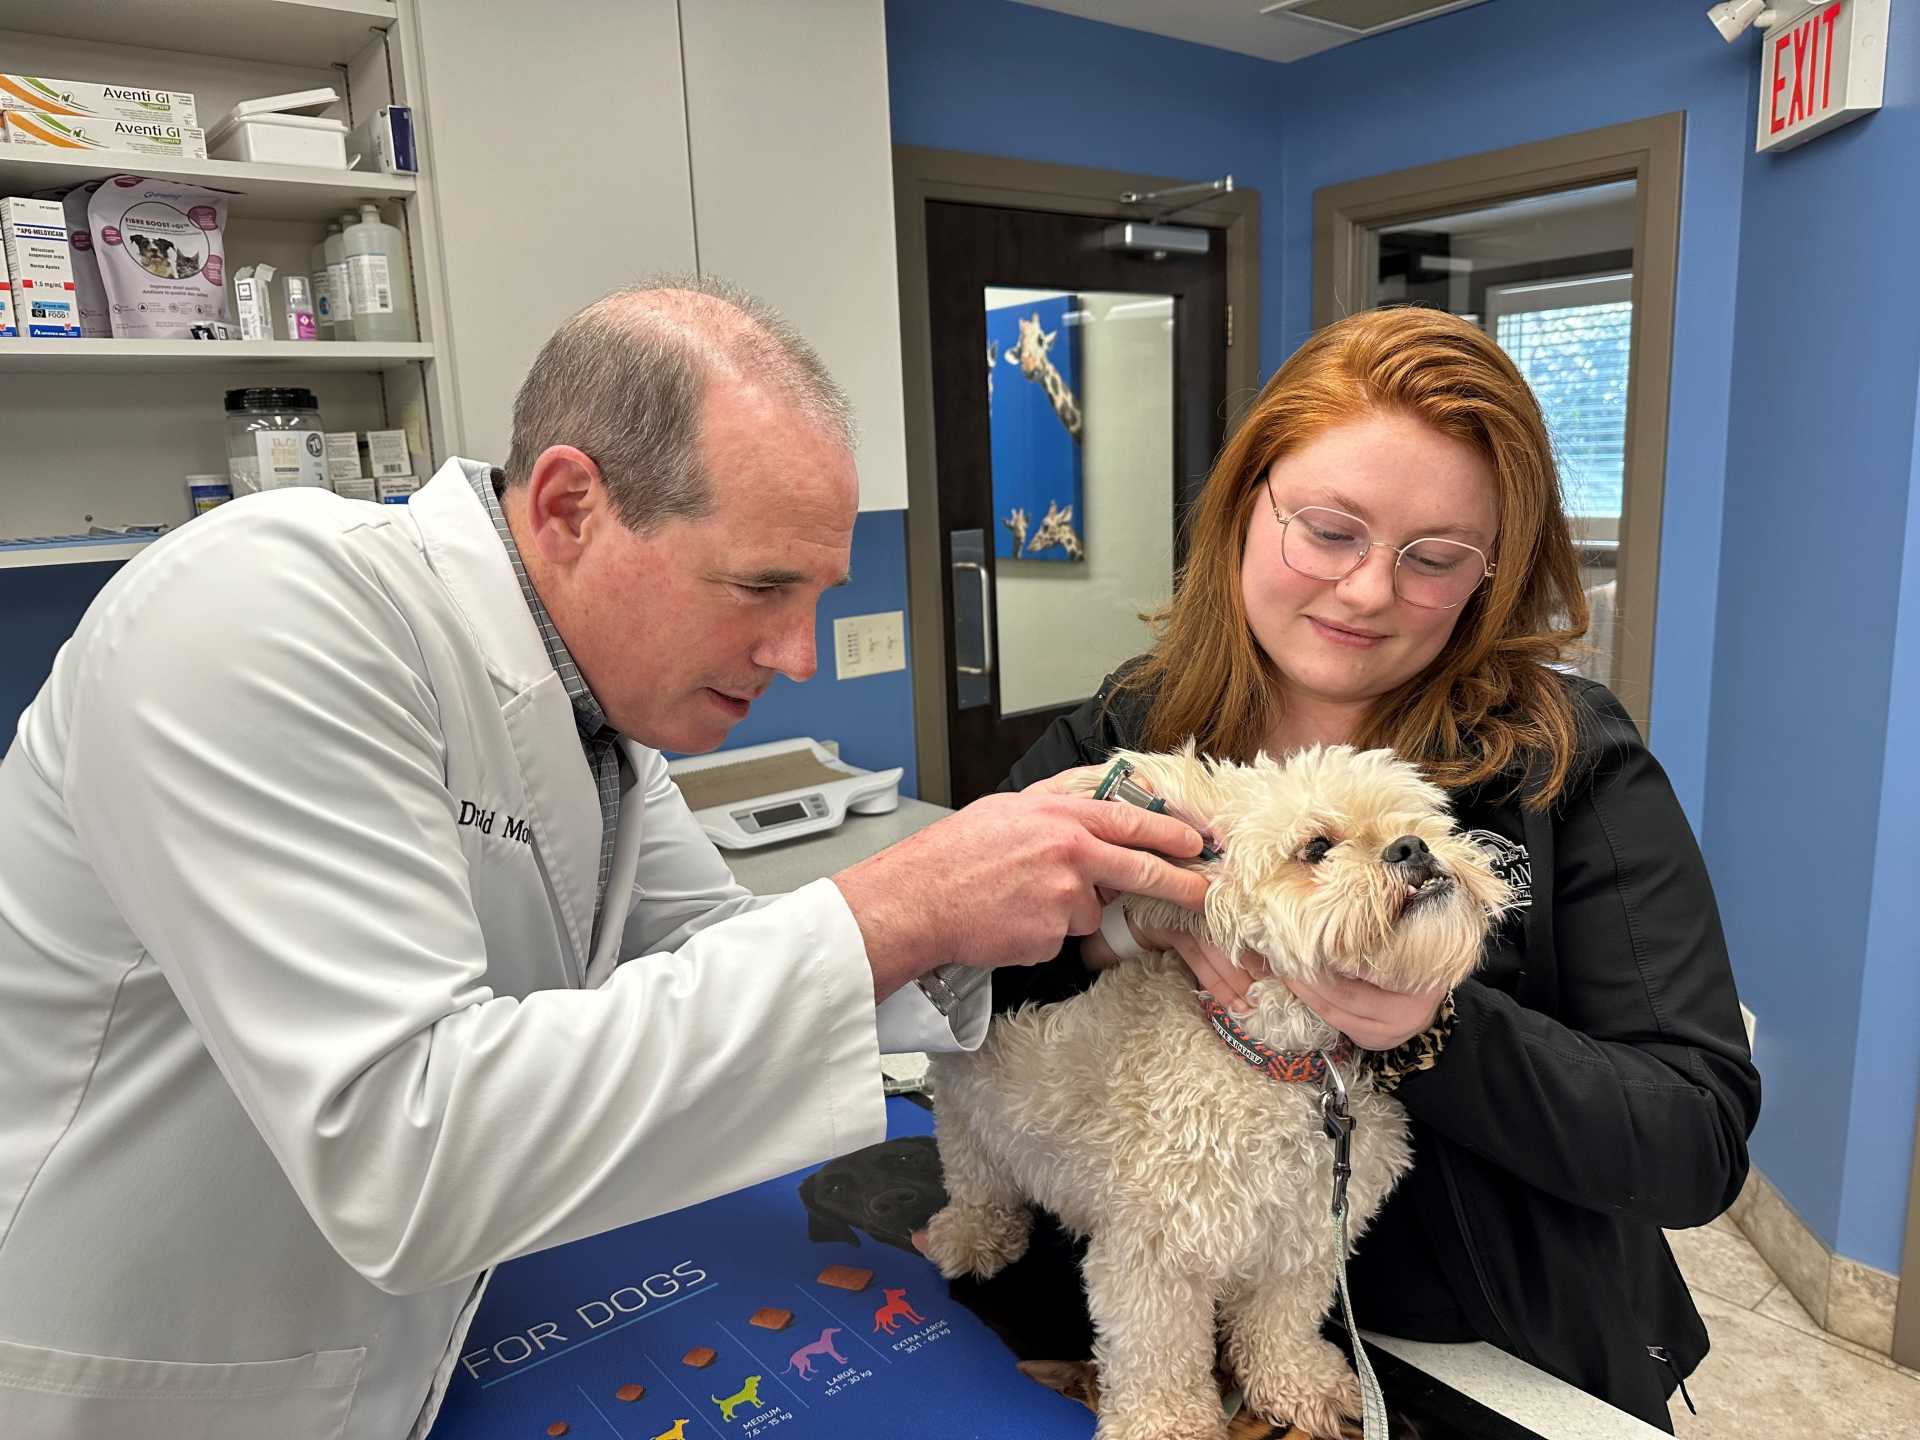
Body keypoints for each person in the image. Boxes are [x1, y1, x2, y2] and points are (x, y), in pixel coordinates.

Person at [0, 278, 1210, 1439]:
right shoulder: (264, 609)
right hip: (139, 1374)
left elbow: (711, 949)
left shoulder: (598, 721)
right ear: (570, 505)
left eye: (820, 594)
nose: (799, 653)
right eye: (759, 587)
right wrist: (903, 898)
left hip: (391, 1342)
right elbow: (403, 1148)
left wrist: (1080, 923)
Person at [977, 306, 1760, 1431]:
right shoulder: (1129, 734)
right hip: (1152, 1324)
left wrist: (1429, 1028)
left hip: (1484, 1357)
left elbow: (1696, 1140)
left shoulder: (1567, 763)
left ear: (1491, 572)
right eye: (1330, 531)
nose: (1368, 592)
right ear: (1249, 505)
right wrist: (1117, 933)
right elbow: (956, 996)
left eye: (1434, 558)